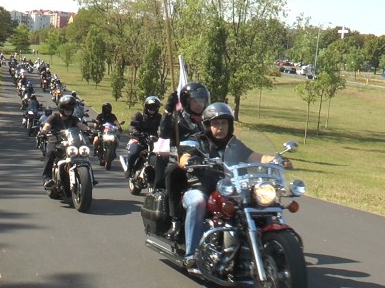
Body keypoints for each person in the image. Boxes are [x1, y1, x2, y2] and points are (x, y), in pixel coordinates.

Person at [177, 102, 293, 269]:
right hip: (200, 188)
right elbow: (185, 156)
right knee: (197, 202)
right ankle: (191, 254)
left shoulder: (234, 143)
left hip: (229, 189)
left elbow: (255, 156)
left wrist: (275, 160)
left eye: (224, 123)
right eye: (215, 123)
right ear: (207, 125)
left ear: (229, 125)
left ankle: (267, 248)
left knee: (259, 203)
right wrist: (188, 160)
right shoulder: (198, 141)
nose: (220, 127)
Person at [159, 82, 210, 240]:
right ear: (187, 101)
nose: (200, 103)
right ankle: (174, 220)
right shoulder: (177, 117)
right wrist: (168, 111)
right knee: (172, 172)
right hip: (181, 158)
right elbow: (164, 133)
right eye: (196, 100)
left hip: (207, 160)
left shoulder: (209, 118)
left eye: (202, 100)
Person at [39, 95, 92, 189]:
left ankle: (90, 178)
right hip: (56, 142)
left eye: (71, 108)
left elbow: (80, 125)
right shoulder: (53, 117)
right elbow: (47, 126)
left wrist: (89, 130)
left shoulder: (74, 119)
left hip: (71, 143)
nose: (69, 110)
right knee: (50, 153)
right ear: (61, 108)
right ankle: (47, 178)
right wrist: (43, 132)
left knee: (84, 154)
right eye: (66, 108)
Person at [124, 95, 162, 178]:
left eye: (155, 107)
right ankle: (129, 168)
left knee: (163, 155)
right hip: (139, 139)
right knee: (134, 152)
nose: (152, 109)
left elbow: (164, 127)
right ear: (146, 106)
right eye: (150, 107)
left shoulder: (159, 117)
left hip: (153, 141)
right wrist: (135, 131)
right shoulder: (139, 115)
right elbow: (132, 125)